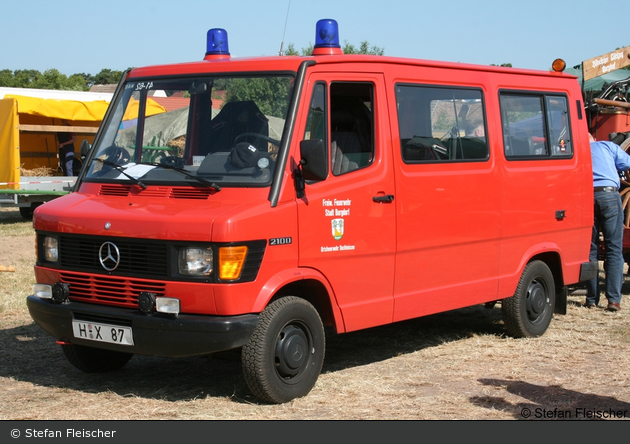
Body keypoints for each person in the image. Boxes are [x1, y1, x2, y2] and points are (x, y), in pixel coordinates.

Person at [585, 132, 630, 311]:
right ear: (594, 139)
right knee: (613, 249)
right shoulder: (607, 146)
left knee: (591, 250)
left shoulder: (578, 150)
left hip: (587, 196)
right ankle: (613, 300)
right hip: (609, 195)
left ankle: (591, 299)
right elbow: (627, 163)